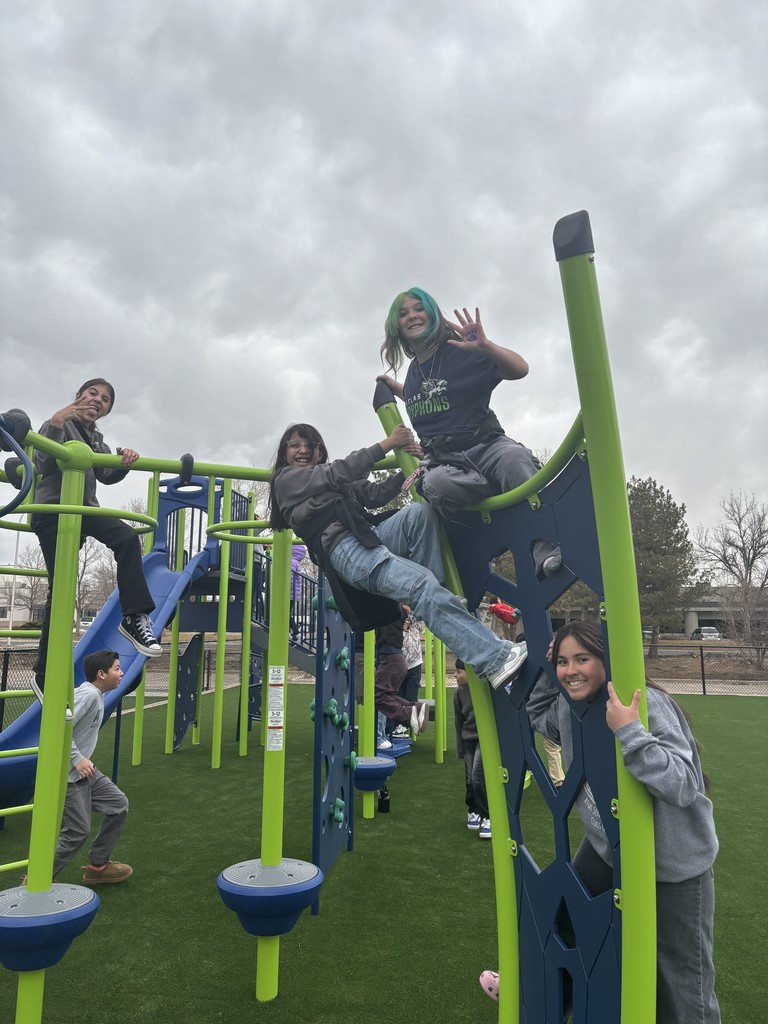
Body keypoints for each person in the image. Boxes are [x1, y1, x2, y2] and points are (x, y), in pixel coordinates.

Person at [481, 622, 721, 1022]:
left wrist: (630, 731)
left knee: (680, 978)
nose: (571, 670)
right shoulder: (571, 708)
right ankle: (539, 990)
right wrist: (546, 674)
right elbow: (540, 714)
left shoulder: (645, 703)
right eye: (562, 662)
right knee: (564, 916)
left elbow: (683, 784)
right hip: (607, 846)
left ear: (606, 660)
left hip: (671, 862)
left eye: (582, 659)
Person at [267, 423, 527, 691]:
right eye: (295, 445)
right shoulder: (287, 480)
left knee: (420, 514)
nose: (303, 450)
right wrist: (389, 443)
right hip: (347, 551)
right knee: (420, 586)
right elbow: (340, 470)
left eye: (310, 445)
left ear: (319, 451)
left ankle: (442, 597)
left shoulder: (330, 484)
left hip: (368, 538)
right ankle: (495, 660)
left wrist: (416, 466)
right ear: (284, 451)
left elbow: (376, 495)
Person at [377, 289, 561, 579]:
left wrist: (486, 347)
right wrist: (395, 387)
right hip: (449, 462)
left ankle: (545, 548)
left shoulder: (459, 351)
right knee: (434, 484)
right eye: (403, 313)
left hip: (485, 443)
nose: (412, 316)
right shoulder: (413, 374)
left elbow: (520, 369)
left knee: (514, 459)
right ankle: (491, 510)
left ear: (432, 314)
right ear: (396, 327)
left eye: (418, 308)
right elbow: (428, 396)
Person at [31, 378, 161, 701]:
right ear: (78, 395)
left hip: (84, 510)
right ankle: (44, 674)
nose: (98, 400)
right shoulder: (57, 423)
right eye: (93, 393)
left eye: (105, 399)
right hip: (55, 512)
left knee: (127, 538)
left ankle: (134, 617)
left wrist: (124, 461)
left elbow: (106, 474)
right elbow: (42, 463)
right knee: (61, 590)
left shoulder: (96, 438)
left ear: (105, 411)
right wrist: (57, 422)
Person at [51, 649, 133, 884]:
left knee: (118, 804)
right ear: (101, 674)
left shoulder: (97, 694)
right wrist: (77, 758)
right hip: (69, 775)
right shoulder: (87, 695)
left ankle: (98, 866)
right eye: (117, 669)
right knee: (77, 831)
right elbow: (58, 726)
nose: (121, 673)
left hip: (85, 774)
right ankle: (37, 880)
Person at [454, 659, 490, 839]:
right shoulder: (459, 692)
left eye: (459, 672)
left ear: (470, 673)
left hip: (484, 739)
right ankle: (473, 810)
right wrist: (460, 749)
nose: (455, 675)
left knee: (477, 776)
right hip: (468, 738)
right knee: (469, 779)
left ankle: (488, 816)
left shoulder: (486, 688)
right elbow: (458, 721)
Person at [289, 542, 307, 640]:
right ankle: (292, 633)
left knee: (286, 614)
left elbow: (290, 579)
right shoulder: (296, 562)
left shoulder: (291, 562)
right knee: (287, 613)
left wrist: (286, 590)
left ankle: (296, 633)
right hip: (293, 594)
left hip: (289, 593)